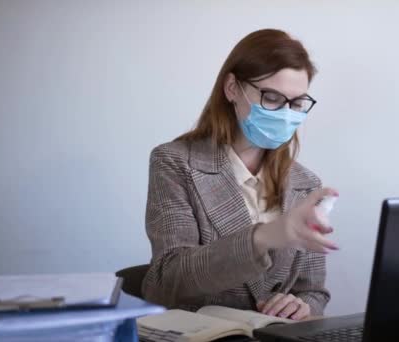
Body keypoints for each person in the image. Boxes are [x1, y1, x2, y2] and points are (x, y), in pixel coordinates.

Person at [142, 29, 338, 321]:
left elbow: (313, 291)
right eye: (272, 97)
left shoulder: (305, 183)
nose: (286, 114)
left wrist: (303, 306)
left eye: (297, 103)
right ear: (232, 88)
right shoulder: (174, 162)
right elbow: (167, 280)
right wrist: (266, 236)